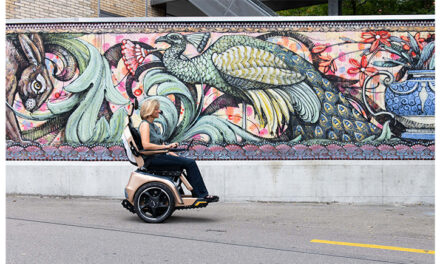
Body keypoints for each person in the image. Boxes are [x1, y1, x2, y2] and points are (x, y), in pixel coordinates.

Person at [138, 99, 219, 202]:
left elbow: (162, 146)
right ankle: (202, 194)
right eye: (156, 109)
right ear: (150, 111)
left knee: (186, 162)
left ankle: (195, 192)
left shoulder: (154, 126)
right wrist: (167, 147)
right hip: (152, 159)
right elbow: (146, 145)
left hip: (159, 157)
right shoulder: (145, 125)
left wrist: (172, 153)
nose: (159, 111)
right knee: (190, 163)